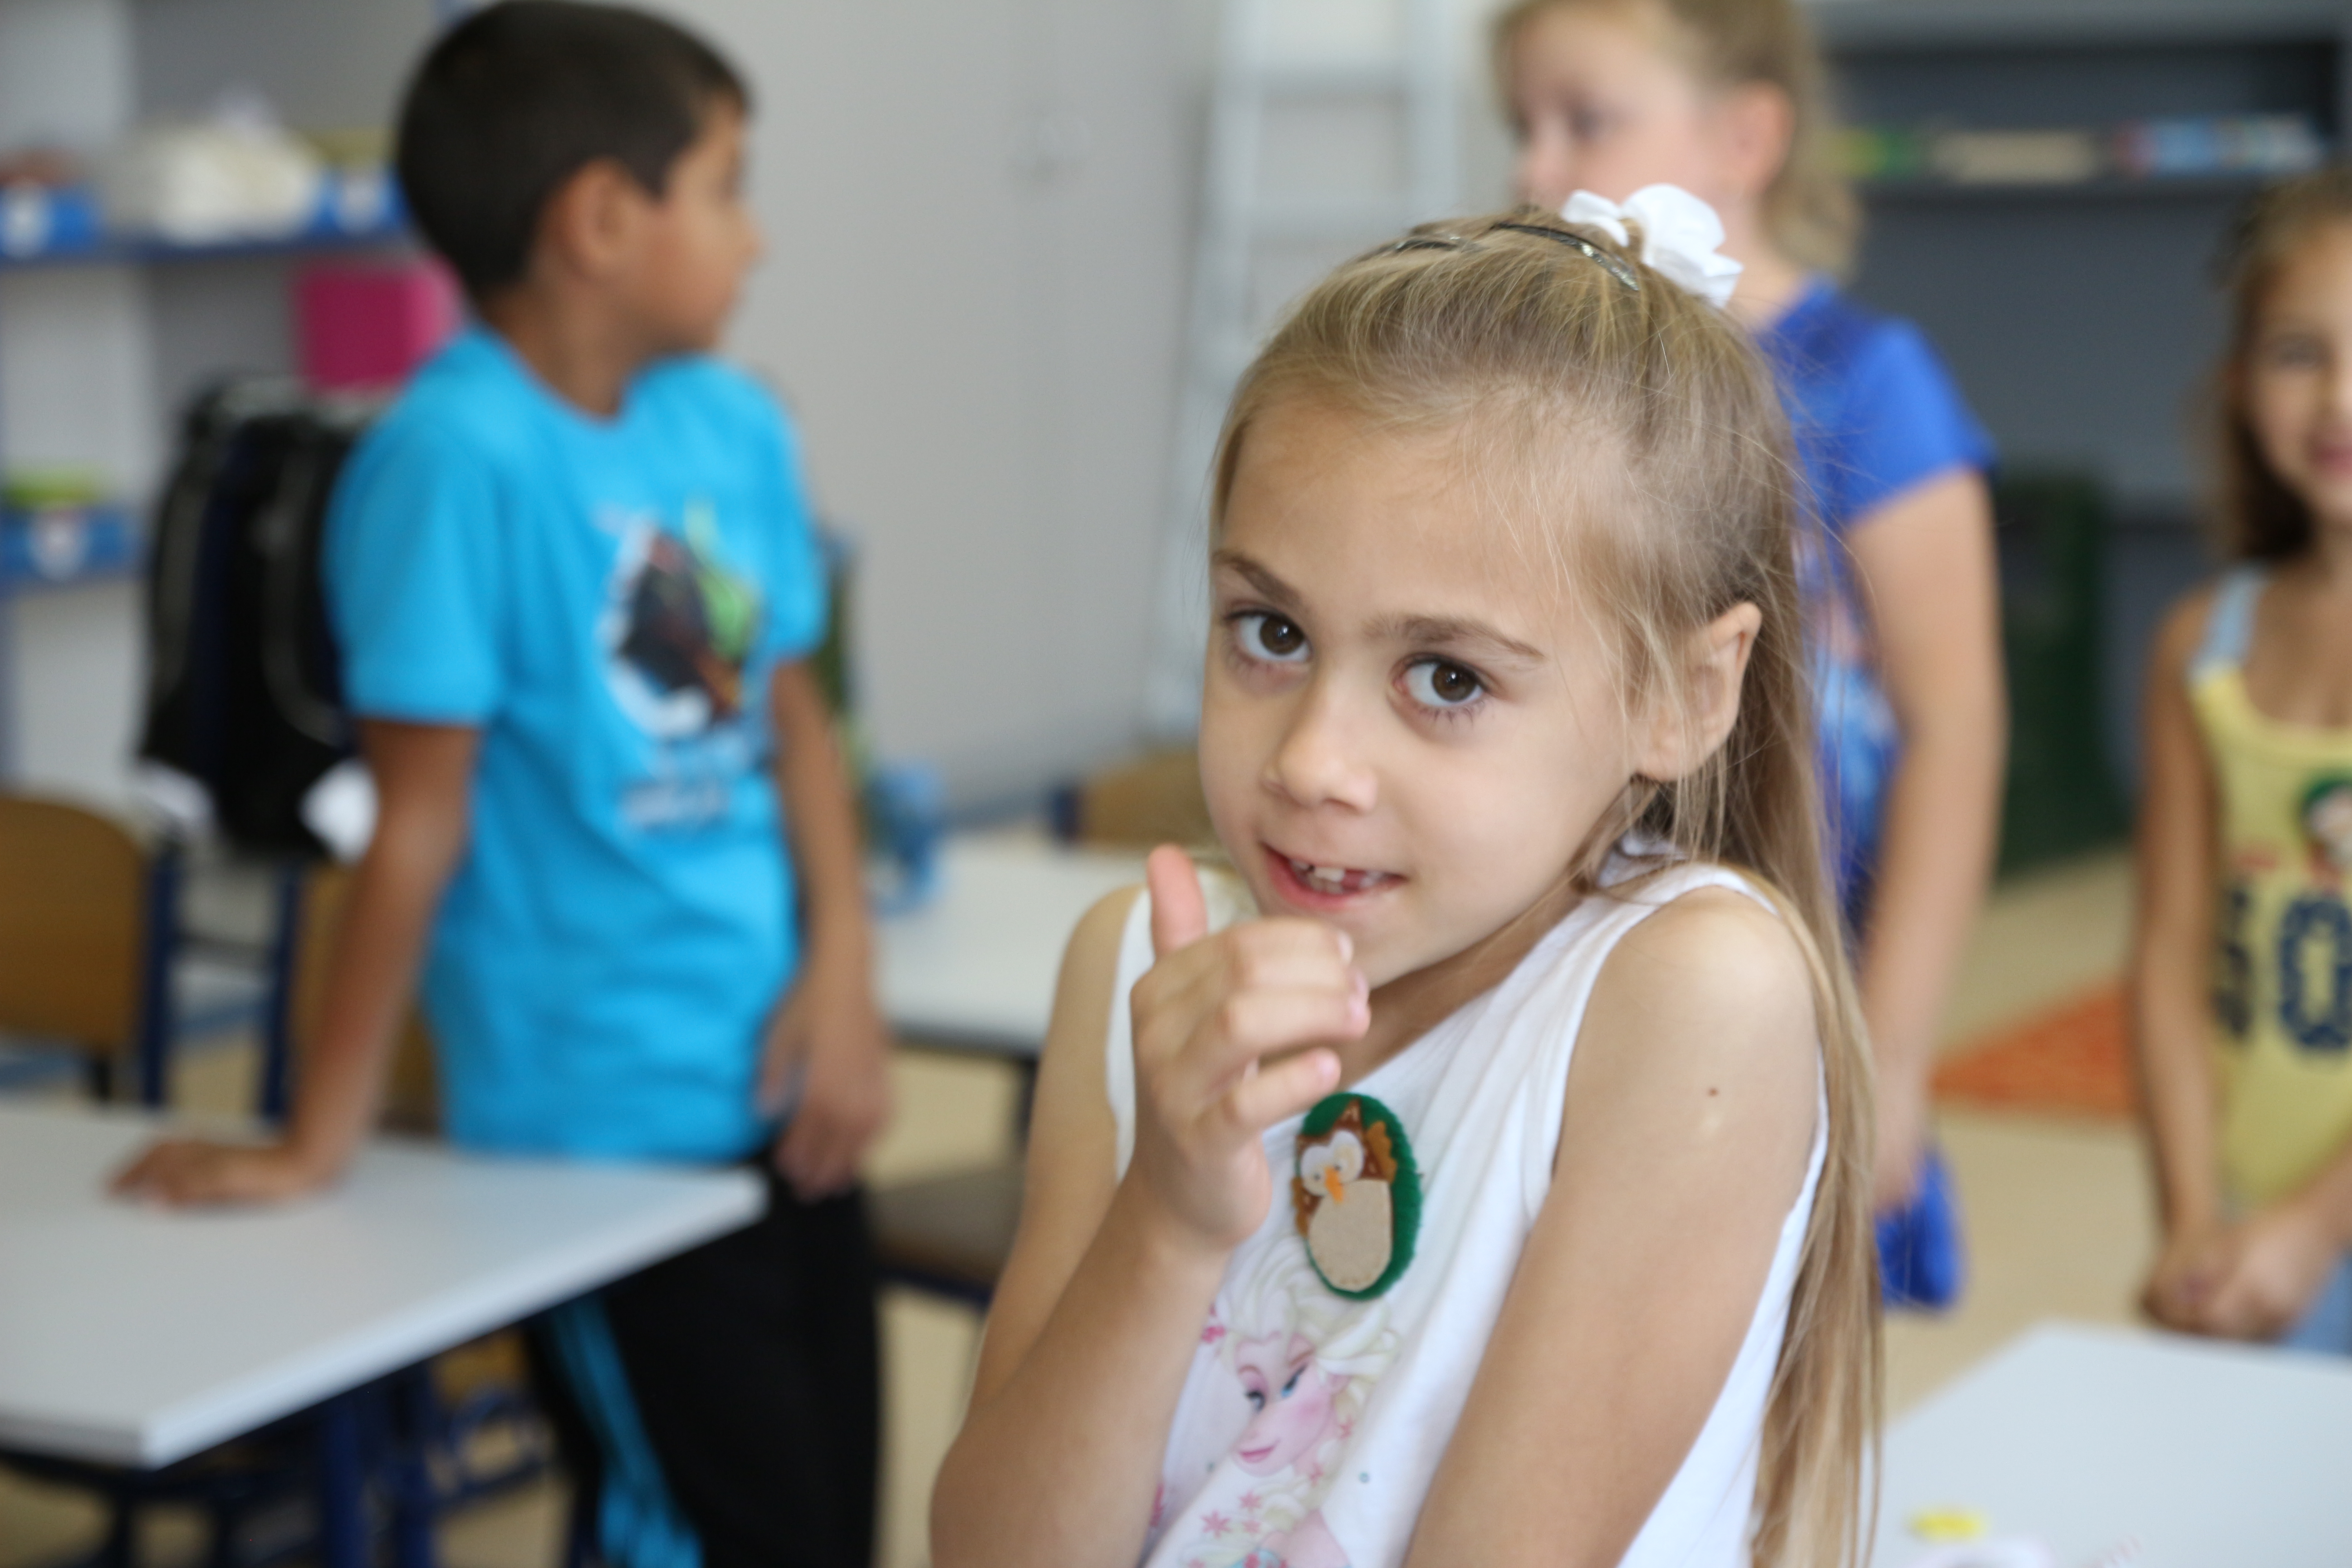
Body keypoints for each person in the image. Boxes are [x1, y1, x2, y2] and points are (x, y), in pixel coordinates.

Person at [931, 198, 1877, 1568]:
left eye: (1447, 677)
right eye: (1271, 632)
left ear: (1682, 695)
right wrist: (1168, 1219)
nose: (1312, 762)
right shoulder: (1135, 960)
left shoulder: (1686, 996)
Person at [112, 5, 891, 1564]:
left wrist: (847, 982)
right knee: (692, 1531)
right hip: (589, 1141)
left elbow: (795, 721)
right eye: (725, 188)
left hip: (782, 1088)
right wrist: (315, 1143)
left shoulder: (733, 423)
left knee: (830, 1519)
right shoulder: (450, 461)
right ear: (600, 221)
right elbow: (412, 827)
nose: (755, 237)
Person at [1494, 0, 2007, 1308]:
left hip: (1794, 966)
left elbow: (1955, 728)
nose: (1535, 168)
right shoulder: (1552, 383)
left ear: (1746, 139)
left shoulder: (1869, 380)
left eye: (1585, 121)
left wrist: (1894, 1052)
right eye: (1522, 126)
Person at [2136, 166, 2352, 1354]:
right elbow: (2170, 955)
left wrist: (2318, 1225)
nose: (2340, 400)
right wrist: (2190, 1222)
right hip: (2250, 1228)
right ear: (2238, 382)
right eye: (2298, 353)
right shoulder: (2201, 647)